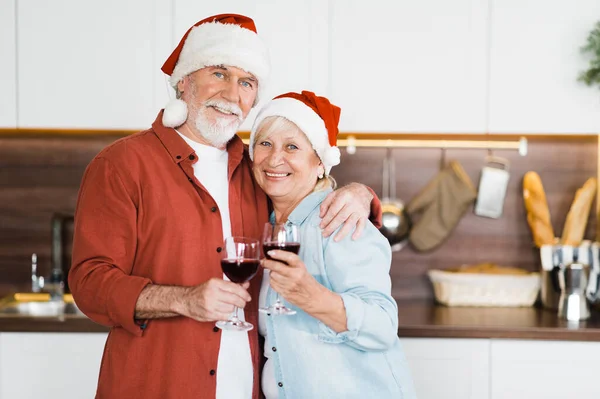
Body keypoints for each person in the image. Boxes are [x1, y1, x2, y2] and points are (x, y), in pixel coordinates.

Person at [68, 14, 379, 399]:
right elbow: (89, 284)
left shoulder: (260, 170)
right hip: (154, 385)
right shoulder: (122, 165)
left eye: (246, 82)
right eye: (219, 73)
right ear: (184, 81)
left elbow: (309, 194)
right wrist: (183, 300)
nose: (232, 94)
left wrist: (361, 193)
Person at [250, 90, 418, 399]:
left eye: (292, 147)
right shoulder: (263, 222)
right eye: (265, 143)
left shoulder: (338, 219)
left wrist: (313, 297)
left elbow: (382, 326)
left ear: (319, 164)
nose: (274, 158)